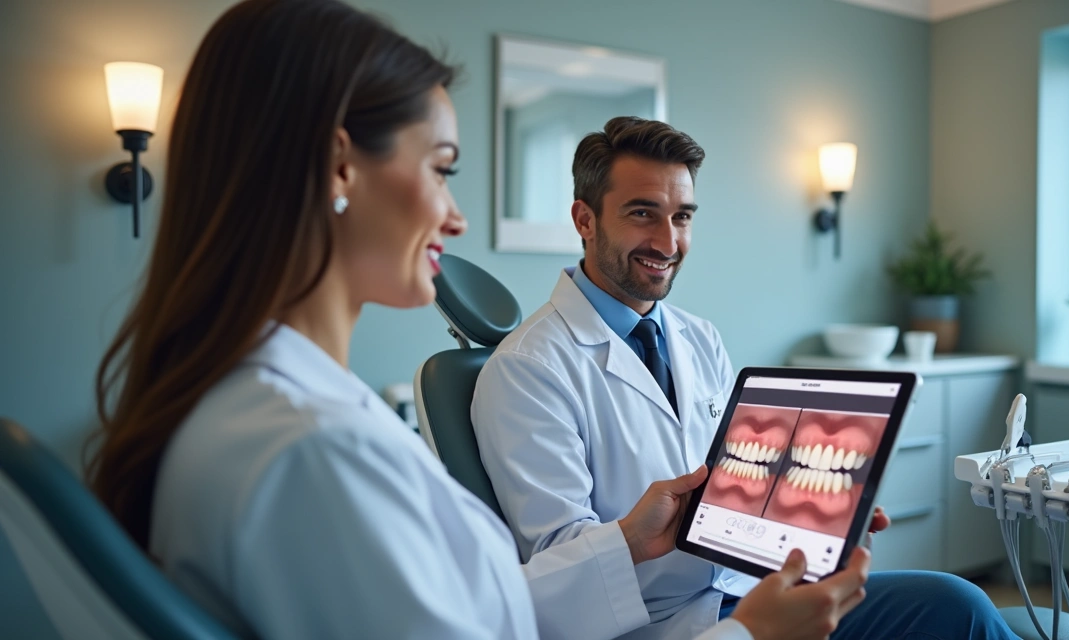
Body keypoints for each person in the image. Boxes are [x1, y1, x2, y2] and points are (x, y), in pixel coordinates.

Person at [84, 1, 876, 639]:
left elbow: (484, 609)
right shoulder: (312, 452)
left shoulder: (275, 412)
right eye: (441, 169)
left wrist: (649, 535)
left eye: (684, 217)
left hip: (719, 588)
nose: (457, 217)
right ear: (338, 167)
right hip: (684, 623)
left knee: (953, 605)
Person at [471, 116, 1018, 639]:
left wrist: (812, 508)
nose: (668, 242)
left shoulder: (699, 337)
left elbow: (740, 481)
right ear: (585, 220)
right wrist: (634, 537)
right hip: (658, 623)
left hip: (754, 586)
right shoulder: (527, 368)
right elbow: (552, 562)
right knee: (955, 610)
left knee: (953, 601)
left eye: (683, 216)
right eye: (642, 213)